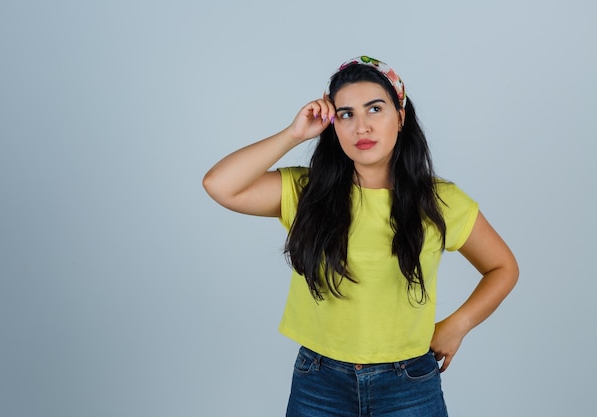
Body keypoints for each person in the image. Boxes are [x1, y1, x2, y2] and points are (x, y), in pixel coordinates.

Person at [202, 55, 519, 417]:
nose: (361, 127)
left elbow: (502, 267)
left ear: (400, 117)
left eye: (375, 109)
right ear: (331, 125)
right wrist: (293, 134)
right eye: (346, 114)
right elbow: (219, 184)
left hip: (408, 383)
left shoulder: (441, 200)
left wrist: (457, 325)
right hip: (319, 382)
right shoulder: (307, 192)